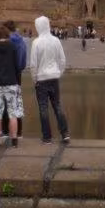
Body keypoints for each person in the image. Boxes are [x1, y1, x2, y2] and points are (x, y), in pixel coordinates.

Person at [29, 15, 71, 145]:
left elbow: (33, 65)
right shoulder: (56, 40)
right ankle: (65, 134)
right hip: (54, 77)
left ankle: (47, 137)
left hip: (41, 79)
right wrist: (59, 72)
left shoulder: (36, 42)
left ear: (38, 27)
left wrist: (35, 79)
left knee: (43, 108)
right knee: (57, 105)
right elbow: (62, 60)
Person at [0, 25, 23, 148]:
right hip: (12, 83)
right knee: (13, 113)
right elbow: (17, 66)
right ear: (8, 36)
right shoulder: (13, 47)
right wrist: (18, 82)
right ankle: (14, 140)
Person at [0, 20, 28, 139]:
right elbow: (22, 62)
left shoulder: (6, 42)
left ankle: (6, 131)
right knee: (16, 102)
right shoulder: (22, 41)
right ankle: (19, 132)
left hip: (6, 73)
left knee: (5, 103)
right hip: (17, 74)